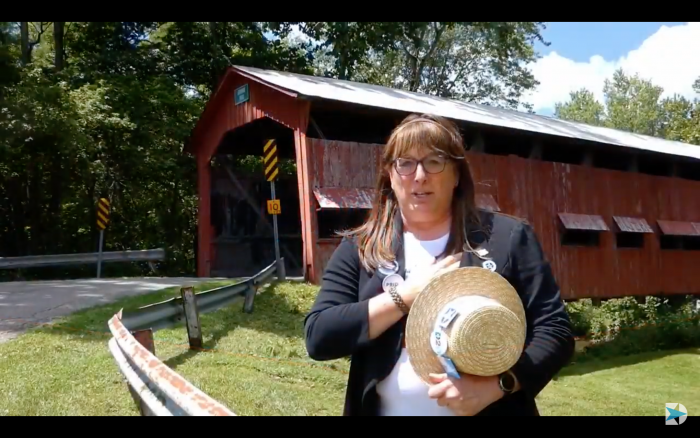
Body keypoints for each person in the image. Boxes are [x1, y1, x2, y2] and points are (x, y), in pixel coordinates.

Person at [303, 113, 575, 416]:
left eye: (434, 161)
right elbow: (319, 337)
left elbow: (556, 331)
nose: (419, 175)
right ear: (390, 177)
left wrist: (498, 386)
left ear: (457, 174)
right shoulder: (360, 247)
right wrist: (403, 298)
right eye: (405, 163)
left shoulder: (508, 238)